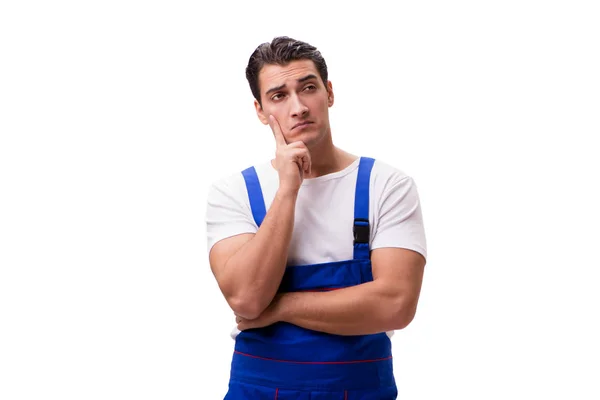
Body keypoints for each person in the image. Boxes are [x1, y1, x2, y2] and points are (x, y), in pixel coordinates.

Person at [205, 36, 427, 399]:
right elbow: (246, 299)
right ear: (260, 110)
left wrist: (281, 307)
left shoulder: (386, 186)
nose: (298, 107)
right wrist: (287, 190)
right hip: (258, 390)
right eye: (278, 96)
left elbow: (396, 304)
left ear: (329, 93)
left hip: (361, 390)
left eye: (307, 88)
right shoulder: (234, 192)